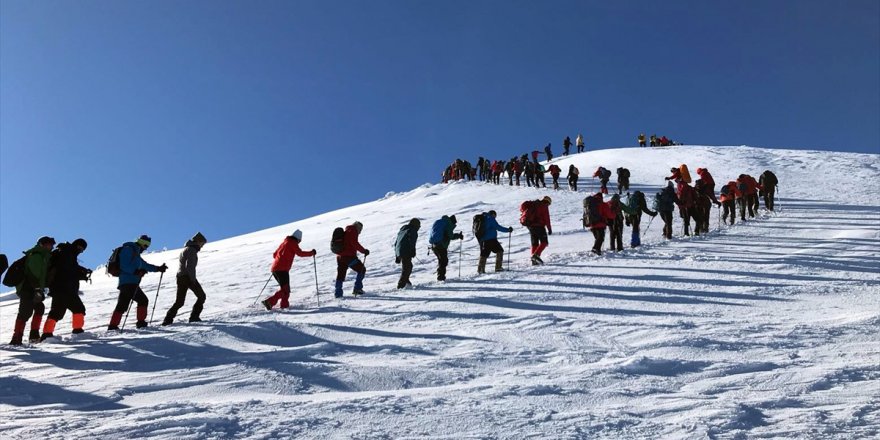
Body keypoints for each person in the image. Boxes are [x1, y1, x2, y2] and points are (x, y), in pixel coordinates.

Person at [107, 235, 168, 331]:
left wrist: (158, 268)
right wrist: (136, 271)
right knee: (143, 300)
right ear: (142, 243)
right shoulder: (128, 249)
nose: (146, 248)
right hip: (129, 282)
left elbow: (145, 265)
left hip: (127, 282)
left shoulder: (136, 254)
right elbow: (124, 265)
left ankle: (113, 326)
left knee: (122, 305)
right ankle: (141, 323)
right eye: (146, 245)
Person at [40, 238, 91, 341]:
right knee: (79, 309)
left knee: (56, 312)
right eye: (80, 248)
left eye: (82, 249)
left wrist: (81, 272)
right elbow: (67, 271)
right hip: (65, 288)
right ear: (76, 245)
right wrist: (81, 272)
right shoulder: (68, 253)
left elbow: (67, 270)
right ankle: (77, 331)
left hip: (58, 288)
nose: (80, 251)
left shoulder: (65, 252)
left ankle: (46, 334)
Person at [9, 236, 55, 345]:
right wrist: (37, 289)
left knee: (39, 308)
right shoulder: (37, 255)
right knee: (25, 312)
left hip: (33, 288)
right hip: (28, 288)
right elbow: (33, 273)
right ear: (42, 244)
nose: (51, 247)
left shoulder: (44, 256)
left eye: (51, 245)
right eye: (49, 244)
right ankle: (16, 338)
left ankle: (34, 335)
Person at [164, 232, 212, 323]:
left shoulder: (186, 249)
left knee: (179, 301)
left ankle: (168, 319)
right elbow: (190, 266)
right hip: (188, 277)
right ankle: (194, 317)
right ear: (198, 242)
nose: (202, 246)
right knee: (202, 296)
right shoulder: (192, 250)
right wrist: (192, 279)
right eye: (202, 243)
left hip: (180, 276)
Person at [335, 222, 369, 297]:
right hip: (349, 257)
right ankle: (357, 288)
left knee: (340, 275)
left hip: (340, 257)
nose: (360, 231)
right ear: (357, 227)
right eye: (360, 229)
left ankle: (338, 294)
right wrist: (364, 251)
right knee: (361, 269)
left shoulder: (347, 231)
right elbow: (354, 243)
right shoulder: (353, 231)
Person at [429, 215, 463, 281]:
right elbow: (450, 236)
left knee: (441, 260)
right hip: (441, 245)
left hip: (434, 245)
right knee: (444, 261)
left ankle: (440, 276)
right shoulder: (448, 224)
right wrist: (459, 235)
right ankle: (441, 277)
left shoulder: (439, 222)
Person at [523, 196, 552, 265]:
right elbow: (547, 218)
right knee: (544, 242)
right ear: (547, 202)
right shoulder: (544, 206)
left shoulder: (534, 204)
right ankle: (536, 256)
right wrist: (549, 229)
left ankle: (534, 261)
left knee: (534, 243)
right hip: (539, 226)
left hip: (530, 226)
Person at [394, 218, 420, 289]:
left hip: (399, 250)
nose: (419, 228)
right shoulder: (413, 230)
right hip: (406, 251)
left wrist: (397, 255)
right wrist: (413, 251)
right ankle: (401, 285)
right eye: (419, 226)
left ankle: (406, 282)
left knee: (408, 266)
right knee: (407, 267)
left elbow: (396, 243)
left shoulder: (402, 230)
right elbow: (412, 242)